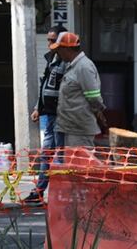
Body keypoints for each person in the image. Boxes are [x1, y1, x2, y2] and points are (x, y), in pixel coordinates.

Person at [23, 25, 68, 206]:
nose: (49, 43)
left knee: (59, 156)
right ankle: (39, 192)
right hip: (48, 114)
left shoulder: (66, 61)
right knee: (46, 154)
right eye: (48, 39)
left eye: (52, 39)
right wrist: (37, 108)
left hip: (61, 115)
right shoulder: (51, 59)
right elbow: (45, 87)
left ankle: (59, 193)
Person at [51, 31, 106, 148]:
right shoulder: (72, 66)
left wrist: (99, 112)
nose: (57, 53)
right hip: (71, 128)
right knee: (73, 165)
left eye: (59, 50)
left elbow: (94, 97)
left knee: (81, 166)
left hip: (79, 131)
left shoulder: (83, 67)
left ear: (66, 49)